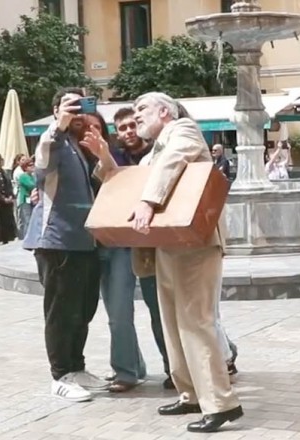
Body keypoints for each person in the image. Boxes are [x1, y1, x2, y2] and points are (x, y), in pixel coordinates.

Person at [82, 92, 241, 433]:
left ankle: (220, 403)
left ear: (165, 112)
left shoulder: (182, 130)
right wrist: (105, 159)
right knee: (173, 322)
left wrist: (148, 203)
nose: (136, 116)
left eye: (142, 109)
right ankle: (191, 394)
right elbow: (130, 182)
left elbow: (168, 169)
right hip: (169, 243)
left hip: (196, 242)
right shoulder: (155, 149)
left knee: (196, 321)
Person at [22, 87, 106, 402]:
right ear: (57, 109)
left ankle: (76, 366)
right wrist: (58, 124)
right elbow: (41, 162)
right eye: (70, 105)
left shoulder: (76, 145)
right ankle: (60, 375)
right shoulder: (53, 140)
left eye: (81, 105)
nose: (77, 112)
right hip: (56, 242)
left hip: (83, 241)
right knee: (61, 311)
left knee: (83, 308)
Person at [0, 154, 17, 244]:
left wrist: (10, 196)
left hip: (7, 199)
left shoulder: (3, 172)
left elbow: (8, 185)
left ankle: (8, 237)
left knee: (8, 219)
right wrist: (2, 198)